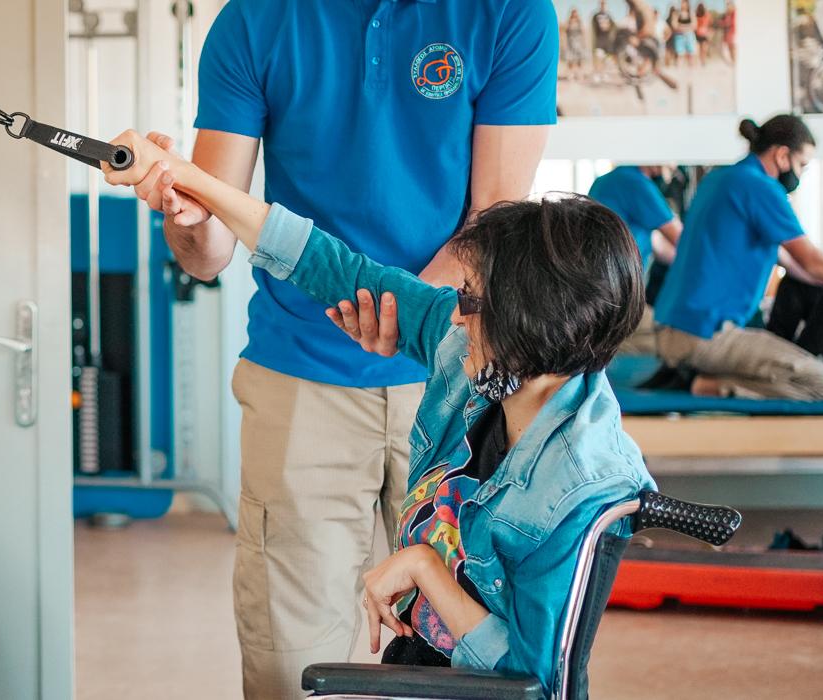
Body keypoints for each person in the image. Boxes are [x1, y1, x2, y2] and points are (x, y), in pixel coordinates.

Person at [101, 134, 654, 694]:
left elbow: (537, 684)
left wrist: (424, 570)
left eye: (470, 300)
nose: (455, 318)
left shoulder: (578, 484)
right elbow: (334, 267)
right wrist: (184, 177)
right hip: (420, 669)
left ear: (531, 319)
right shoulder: (486, 362)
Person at [129, 2, 557, 696]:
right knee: (289, 661)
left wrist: (401, 319)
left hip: (458, 372)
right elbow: (207, 248)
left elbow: (496, 223)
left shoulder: (510, 11)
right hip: (302, 374)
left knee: (471, 650)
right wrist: (185, 210)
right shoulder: (255, 21)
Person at [653, 115, 823, 400]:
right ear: (782, 155)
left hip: (670, 329)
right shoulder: (762, 187)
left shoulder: (718, 178)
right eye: (802, 164)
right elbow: (810, 261)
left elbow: (792, 263)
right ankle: (703, 385)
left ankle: (696, 374)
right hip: (705, 334)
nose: (801, 174)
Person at [588, 164, 682, 273]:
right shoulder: (636, 182)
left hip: (600, 276)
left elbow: (655, 244)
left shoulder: (603, 181)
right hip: (619, 278)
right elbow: (681, 238)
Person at [670, 1, 700, 69]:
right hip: (679, 37)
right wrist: (687, 27)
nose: (683, 4)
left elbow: (694, 25)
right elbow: (674, 25)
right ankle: (678, 71)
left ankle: (691, 72)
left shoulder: (691, 13)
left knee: (691, 55)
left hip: (689, 36)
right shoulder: (676, 13)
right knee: (680, 55)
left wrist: (681, 27)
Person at [563, 9, 589, 83]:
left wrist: (584, 43)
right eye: (573, 13)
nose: (575, 15)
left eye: (576, 13)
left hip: (579, 44)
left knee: (580, 60)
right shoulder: (568, 22)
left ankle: (580, 75)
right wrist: (564, 43)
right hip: (570, 43)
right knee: (570, 60)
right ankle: (570, 75)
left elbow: (583, 32)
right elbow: (565, 32)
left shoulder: (580, 22)